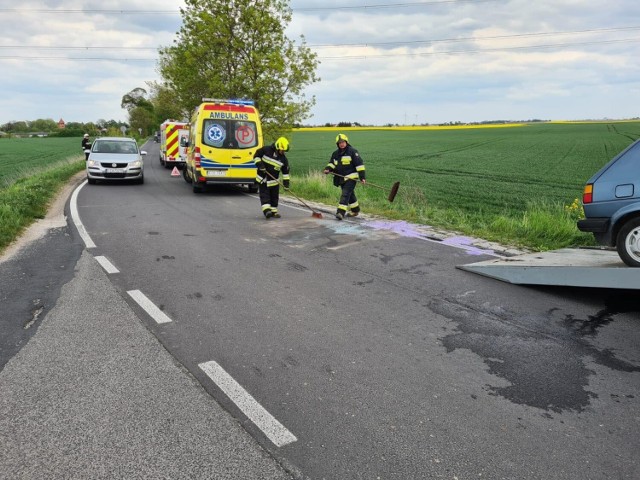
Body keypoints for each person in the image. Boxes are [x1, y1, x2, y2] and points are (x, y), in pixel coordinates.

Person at [323, 133, 366, 220]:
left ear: (346, 142)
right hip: (341, 178)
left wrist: (362, 177)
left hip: (351, 178)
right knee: (350, 195)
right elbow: (332, 163)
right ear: (337, 144)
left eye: (343, 142)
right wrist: (328, 169)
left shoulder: (353, 152)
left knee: (345, 194)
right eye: (339, 143)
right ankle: (355, 210)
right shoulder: (335, 154)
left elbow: (360, 165)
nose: (341, 144)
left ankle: (340, 212)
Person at [254, 137, 291, 219]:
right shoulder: (266, 150)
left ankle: (274, 211)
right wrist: (260, 165)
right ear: (277, 147)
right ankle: (267, 211)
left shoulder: (284, 159)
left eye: (284, 151)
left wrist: (286, 184)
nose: (283, 152)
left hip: (274, 181)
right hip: (263, 179)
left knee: (274, 197)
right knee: (265, 196)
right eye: (282, 150)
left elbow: (285, 173)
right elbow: (256, 156)